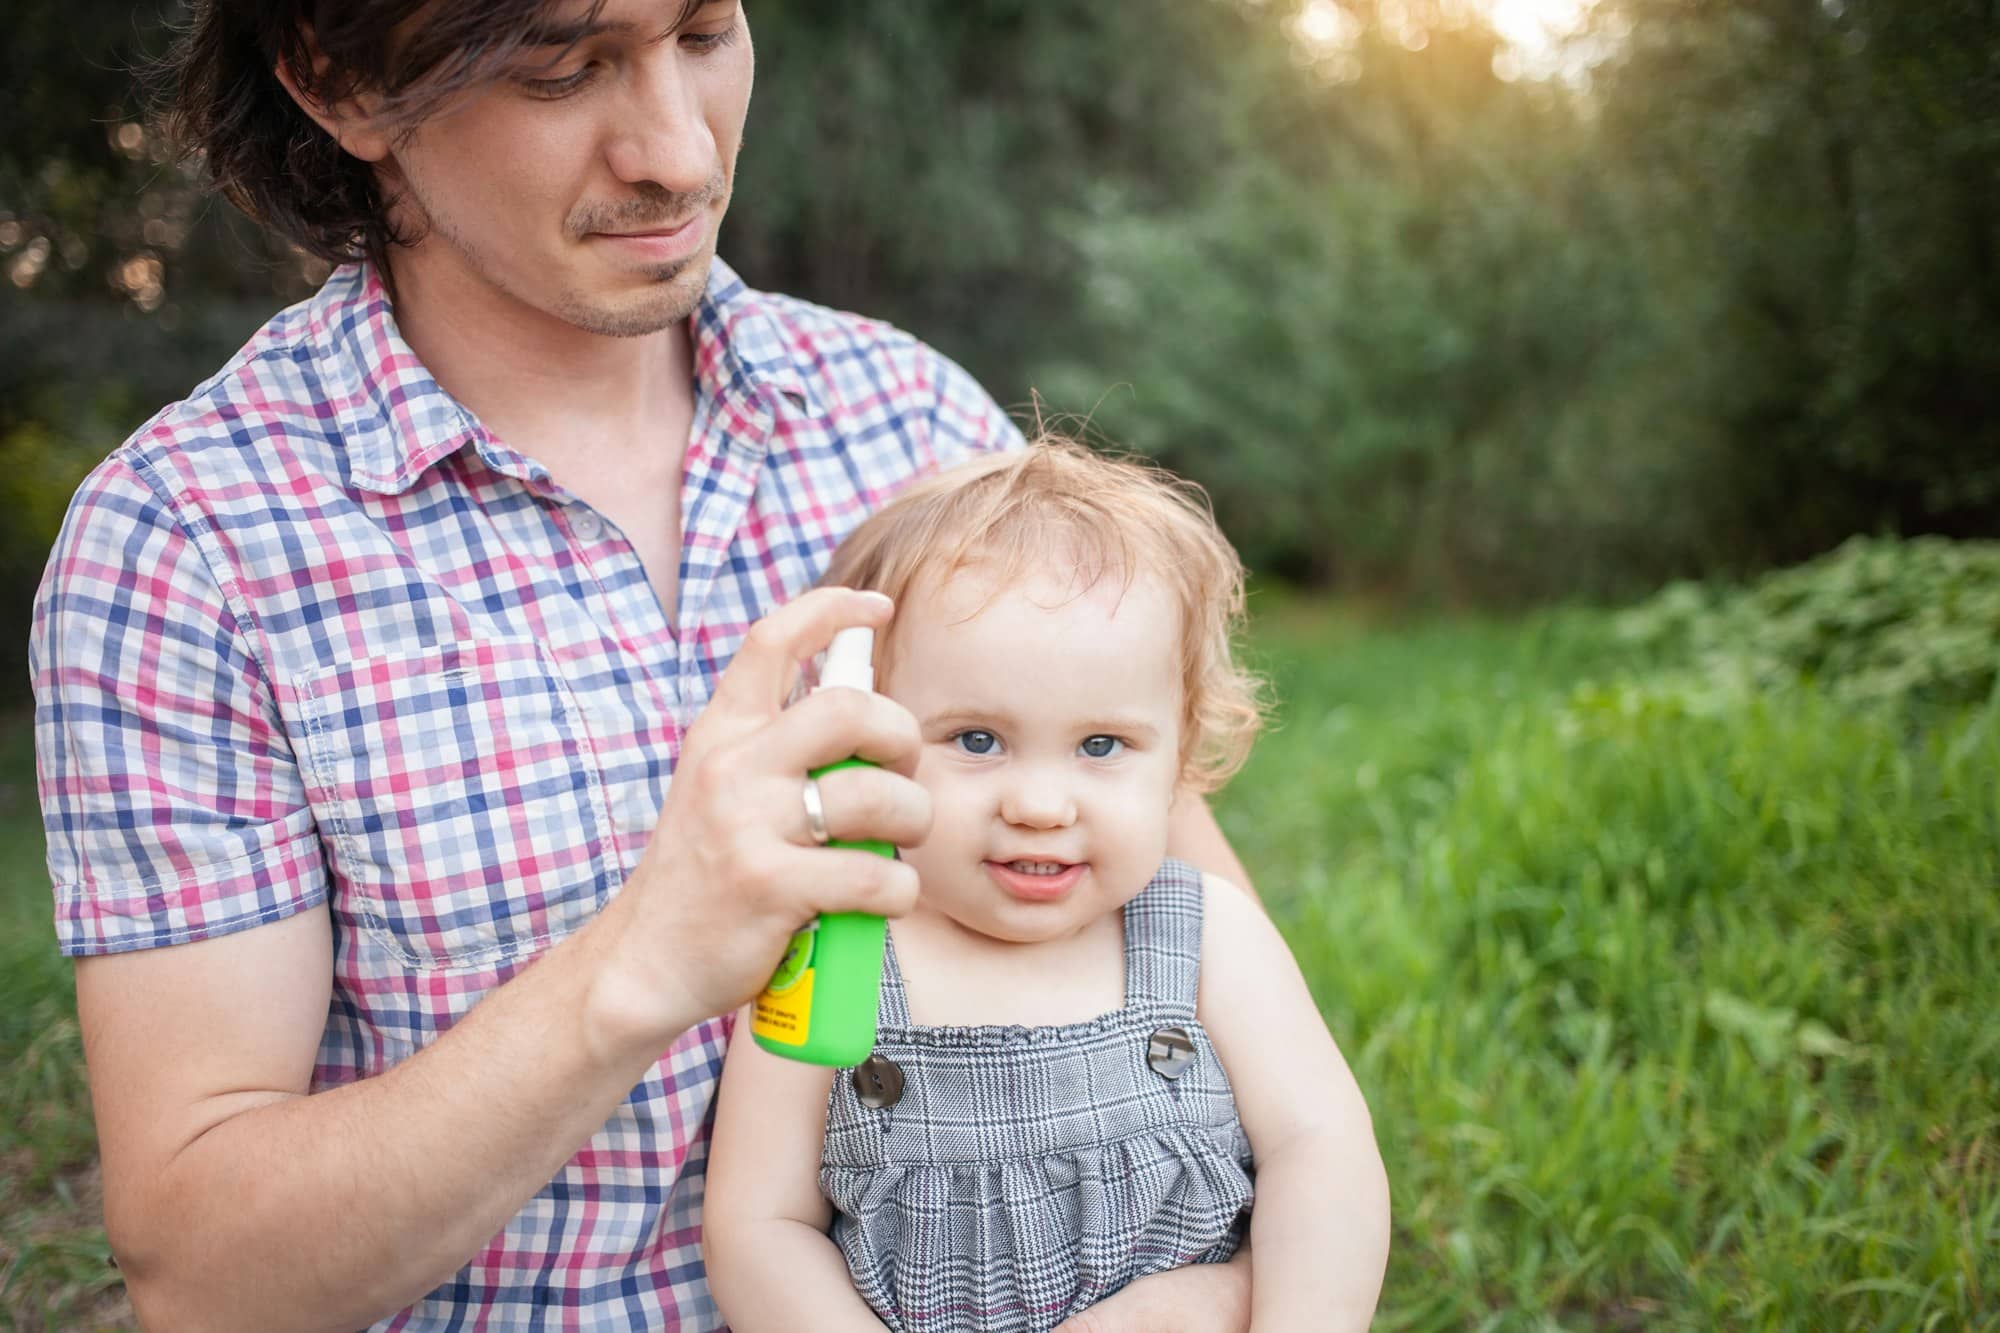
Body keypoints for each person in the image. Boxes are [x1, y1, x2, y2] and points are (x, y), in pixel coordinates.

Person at [29, 2, 1266, 1328]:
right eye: (563, 72)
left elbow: (1201, 958)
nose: (679, 153)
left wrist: (1227, 1289)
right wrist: (646, 956)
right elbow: (206, 1280)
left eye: (704, 32)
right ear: (340, 86)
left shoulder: (910, 424)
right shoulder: (189, 548)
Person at [702, 440, 1390, 1331]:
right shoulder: (829, 950)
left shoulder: (1206, 937)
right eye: (977, 740)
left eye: (1101, 745)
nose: (1038, 803)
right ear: (864, 739)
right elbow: (760, 1225)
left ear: (1180, 755)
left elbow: (1320, 1146)